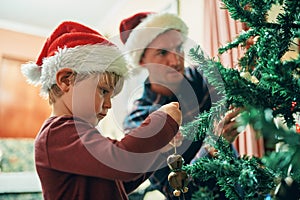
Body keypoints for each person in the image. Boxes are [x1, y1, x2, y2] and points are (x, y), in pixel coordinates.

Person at [21, 21, 182, 200]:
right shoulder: (57, 133)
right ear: (66, 80)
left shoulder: (79, 133)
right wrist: (162, 122)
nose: (108, 104)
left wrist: (157, 151)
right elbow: (123, 161)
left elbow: (120, 180)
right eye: (103, 90)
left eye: (110, 96)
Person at [119, 12, 242, 199]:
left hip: (242, 186)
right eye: (162, 53)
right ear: (142, 60)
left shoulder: (201, 78)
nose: (175, 61)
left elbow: (239, 93)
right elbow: (174, 191)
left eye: (179, 48)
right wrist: (212, 147)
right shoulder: (139, 121)